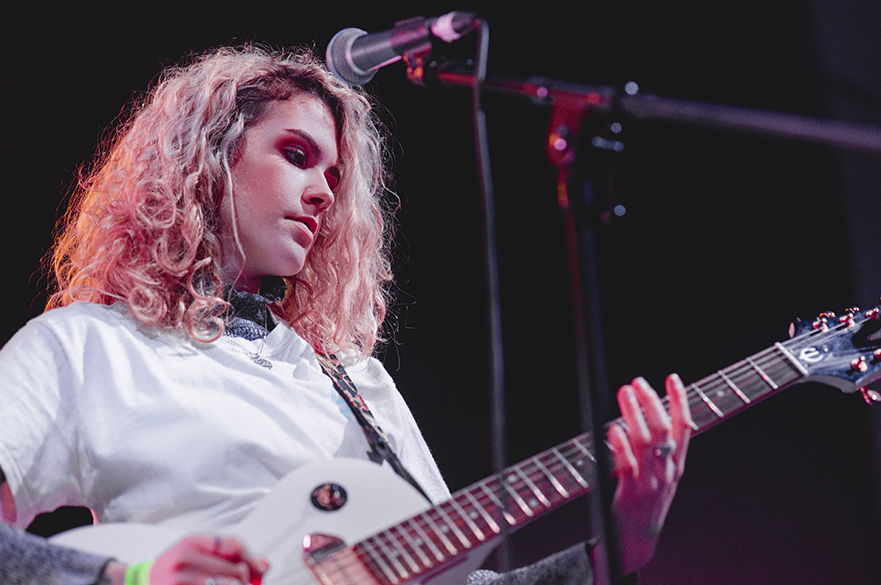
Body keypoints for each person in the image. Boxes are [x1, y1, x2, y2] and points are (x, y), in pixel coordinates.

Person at [0, 45, 692, 585]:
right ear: (207, 159)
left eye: (334, 177)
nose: (321, 195)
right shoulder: (86, 347)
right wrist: (131, 574)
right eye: (296, 156)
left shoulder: (353, 383)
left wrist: (618, 545)